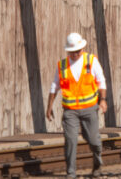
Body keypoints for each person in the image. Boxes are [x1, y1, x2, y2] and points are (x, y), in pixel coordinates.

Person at [46, 33, 107, 178]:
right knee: (71, 141)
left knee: (94, 141)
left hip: (89, 109)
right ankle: (71, 173)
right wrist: (49, 106)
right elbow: (54, 86)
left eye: (78, 51)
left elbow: (101, 81)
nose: (75, 54)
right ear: (68, 51)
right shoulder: (62, 66)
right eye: (72, 51)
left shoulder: (91, 61)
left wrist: (103, 100)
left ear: (82, 48)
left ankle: (97, 162)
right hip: (70, 112)